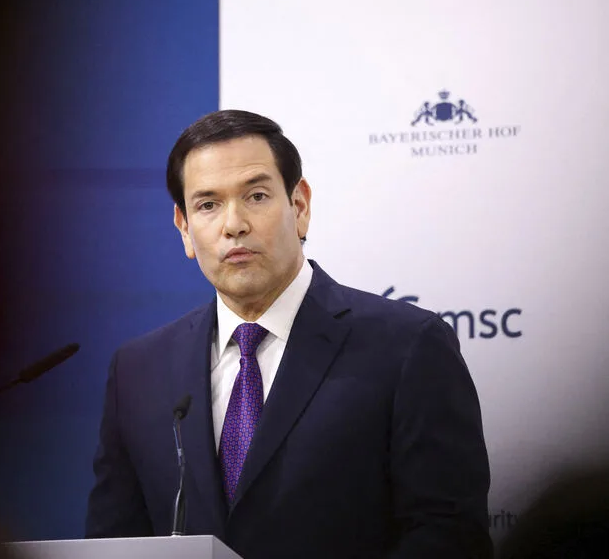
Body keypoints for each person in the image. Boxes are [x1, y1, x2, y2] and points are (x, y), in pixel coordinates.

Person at [84, 110, 492, 558]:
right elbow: (112, 543)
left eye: (256, 196)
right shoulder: (138, 371)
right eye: (208, 205)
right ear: (184, 228)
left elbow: (448, 535)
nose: (233, 224)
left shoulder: (406, 346)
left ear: (299, 207)